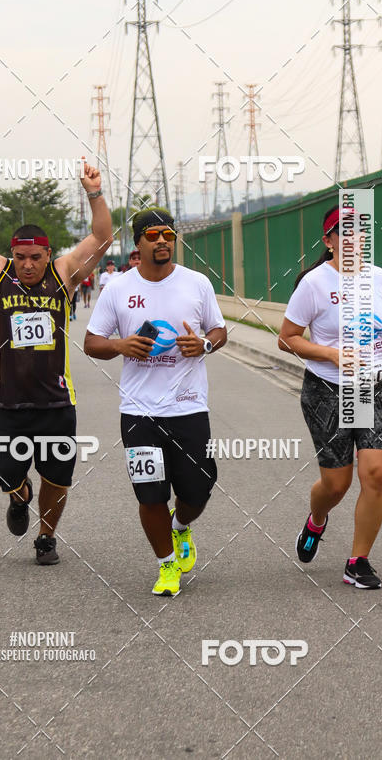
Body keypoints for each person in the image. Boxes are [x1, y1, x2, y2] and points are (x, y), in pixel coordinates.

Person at [0, 150, 112, 565]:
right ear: (12, 255)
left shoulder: (63, 274)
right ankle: (19, 498)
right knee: (9, 477)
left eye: (36, 257)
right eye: (21, 257)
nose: (28, 265)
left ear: (47, 254)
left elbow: (102, 238)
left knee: (57, 479)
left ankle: (46, 538)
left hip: (55, 403)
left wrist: (95, 194)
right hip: (7, 405)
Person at [84, 206, 227, 596]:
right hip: (139, 412)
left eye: (168, 234)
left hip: (189, 406)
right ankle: (166, 565)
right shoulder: (118, 289)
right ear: (138, 242)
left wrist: (205, 344)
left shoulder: (196, 283)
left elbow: (219, 330)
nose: (162, 240)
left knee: (198, 489)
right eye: (153, 235)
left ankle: (180, 527)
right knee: (150, 494)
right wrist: (120, 345)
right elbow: (91, 342)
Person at [278, 204, 382, 590]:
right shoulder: (314, 283)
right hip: (327, 389)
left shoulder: (380, 278)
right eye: (344, 231)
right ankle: (317, 520)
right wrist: (332, 354)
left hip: (372, 385)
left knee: (376, 473)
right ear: (329, 240)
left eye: (359, 230)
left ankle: (357, 561)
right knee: (337, 485)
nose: (354, 238)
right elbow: (287, 339)